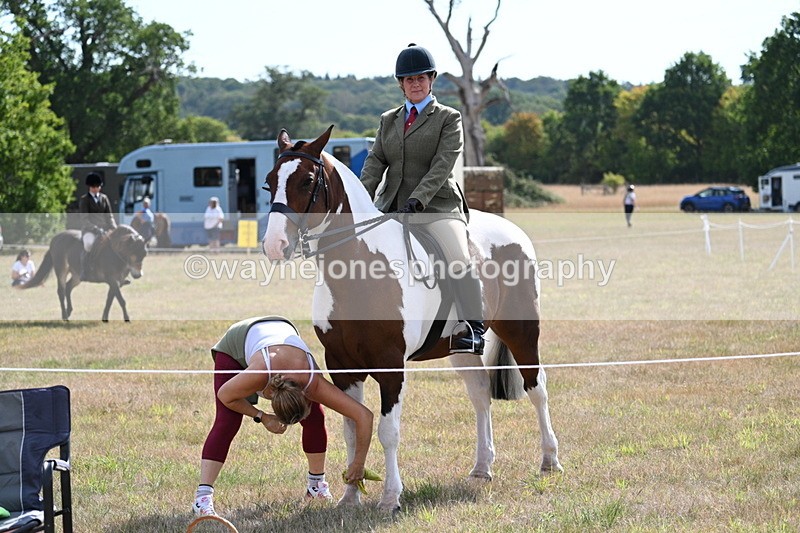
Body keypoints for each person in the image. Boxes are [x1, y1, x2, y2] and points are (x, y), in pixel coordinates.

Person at [358, 43, 485, 355]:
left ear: (432, 80)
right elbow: (375, 163)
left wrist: (418, 200)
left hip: (437, 206)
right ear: (400, 84)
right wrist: (361, 201)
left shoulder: (448, 118)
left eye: (421, 78)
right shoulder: (388, 120)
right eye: (409, 79)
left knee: (457, 258)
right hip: (391, 207)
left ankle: (473, 328)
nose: (415, 83)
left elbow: (443, 164)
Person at [193, 316, 374, 517]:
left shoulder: (313, 383)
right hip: (238, 341)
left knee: (315, 417)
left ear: (307, 396)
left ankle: (316, 487)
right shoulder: (259, 374)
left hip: (281, 328)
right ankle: (202, 499)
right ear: (271, 395)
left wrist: (358, 464)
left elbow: (364, 416)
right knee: (227, 421)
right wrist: (261, 416)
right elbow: (225, 395)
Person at [78, 172, 117, 281]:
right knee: (89, 244)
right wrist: (95, 228)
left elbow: (109, 215)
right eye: (93, 187)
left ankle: (120, 272)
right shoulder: (84, 199)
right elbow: (84, 219)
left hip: (105, 229)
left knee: (117, 244)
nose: (95, 189)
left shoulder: (104, 198)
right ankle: (85, 270)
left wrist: (114, 227)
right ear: (89, 187)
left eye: (97, 187)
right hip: (89, 230)